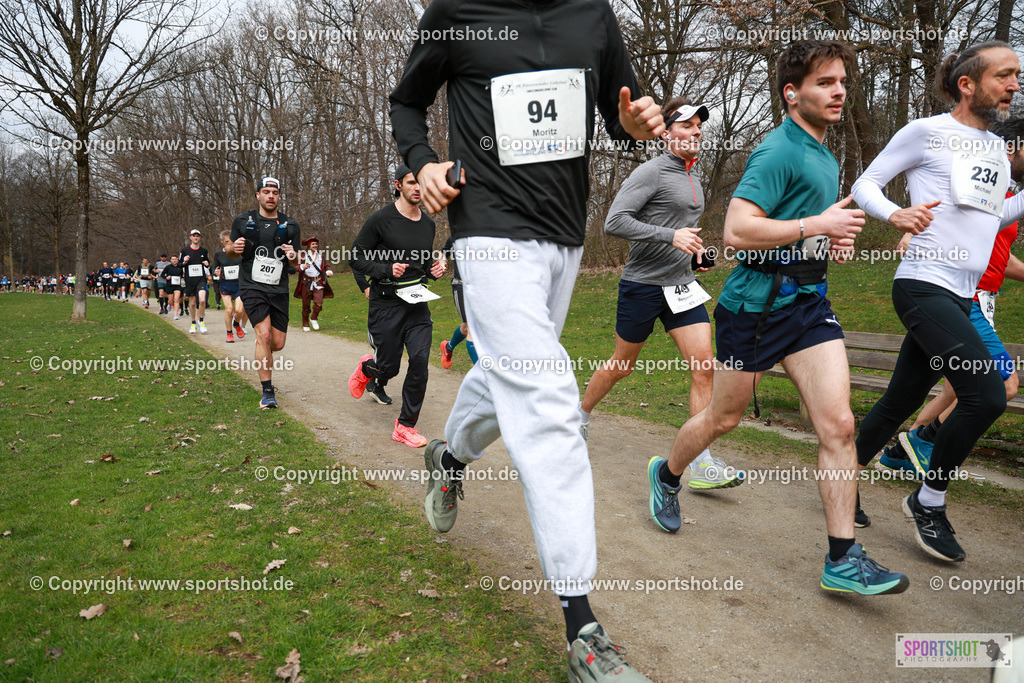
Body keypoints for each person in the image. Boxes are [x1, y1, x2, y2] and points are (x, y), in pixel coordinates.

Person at [390, 2, 667, 679]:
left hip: (563, 239)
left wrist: (635, 125)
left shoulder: (592, 15)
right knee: (548, 399)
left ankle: (449, 460)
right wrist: (423, 160)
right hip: (485, 229)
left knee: (507, 375)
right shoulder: (455, 10)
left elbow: (621, 108)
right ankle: (583, 626)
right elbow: (406, 102)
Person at [649, 41, 909, 595]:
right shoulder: (778, 151)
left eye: (842, 81)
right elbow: (738, 233)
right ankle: (667, 475)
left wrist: (829, 240)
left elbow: (808, 227)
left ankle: (842, 557)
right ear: (793, 94)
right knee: (724, 417)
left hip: (809, 305)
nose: (839, 91)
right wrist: (817, 226)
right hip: (754, 309)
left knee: (839, 426)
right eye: (824, 83)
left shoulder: (826, 153)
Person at [851, 42, 1022, 562]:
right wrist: (895, 216)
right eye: (1005, 76)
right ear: (966, 84)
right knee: (988, 395)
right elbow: (865, 185)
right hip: (924, 285)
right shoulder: (926, 131)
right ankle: (928, 500)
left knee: (900, 402)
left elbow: (990, 218)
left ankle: (840, 476)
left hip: (962, 294)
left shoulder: (994, 148)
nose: (1015, 85)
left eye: (1018, 77)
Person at [578, 95, 743, 492]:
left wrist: (697, 255)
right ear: (667, 132)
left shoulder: (695, 178)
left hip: (681, 286)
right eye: (686, 125)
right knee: (623, 364)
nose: (696, 131)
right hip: (642, 285)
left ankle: (699, 461)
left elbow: (683, 235)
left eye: (699, 126)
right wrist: (671, 236)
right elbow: (615, 222)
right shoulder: (651, 172)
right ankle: (579, 417)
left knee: (705, 366)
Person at [879, 116, 1024, 476]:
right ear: (1010, 148)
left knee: (956, 388)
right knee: (1002, 384)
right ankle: (923, 444)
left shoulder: (1006, 199)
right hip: (959, 297)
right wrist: (913, 234)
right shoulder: (976, 187)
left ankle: (903, 449)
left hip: (980, 298)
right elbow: (943, 219)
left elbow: (1000, 257)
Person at [349, 164, 445, 446]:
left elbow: (422, 264)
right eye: (412, 182)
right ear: (398, 185)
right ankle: (369, 369)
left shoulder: (428, 224)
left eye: (421, 183)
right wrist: (385, 269)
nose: (418, 188)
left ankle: (405, 425)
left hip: (417, 306)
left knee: (419, 361)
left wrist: (433, 271)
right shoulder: (380, 220)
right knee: (388, 368)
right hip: (386, 305)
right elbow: (355, 257)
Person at [227, 176, 300, 410]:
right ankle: (268, 393)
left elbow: (298, 259)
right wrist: (232, 248)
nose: (270, 196)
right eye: (265, 192)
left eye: (274, 192)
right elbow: (229, 249)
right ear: (257, 195)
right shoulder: (242, 220)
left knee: (277, 343)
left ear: (279, 196)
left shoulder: (290, 225)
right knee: (265, 335)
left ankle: (262, 352)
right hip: (252, 286)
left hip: (278, 289)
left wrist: (293, 255)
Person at [438, 235, 477, 368]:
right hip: (460, 286)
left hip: (480, 290)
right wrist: (442, 261)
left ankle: (448, 347)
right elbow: (444, 252)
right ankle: (483, 372)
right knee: (470, 328)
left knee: (468, 329)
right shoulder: (456, 237)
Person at [214, 230, 247, 343]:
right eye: (227, 241)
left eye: (231, 240)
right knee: (229, 310)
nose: (230, 243)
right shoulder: (219, 254)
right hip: (225, 285)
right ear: (222, 241)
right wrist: (215, 271)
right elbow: (214, 267)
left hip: (239, 285)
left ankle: (236, 324)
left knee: (239, 310)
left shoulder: (240, 252)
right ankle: (229, 333)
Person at [296, 236, 334, 332]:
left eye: (316, 244)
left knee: (319, 302)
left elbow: (326, 266)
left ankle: (313, 318)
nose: (315, 246)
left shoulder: (321, 256)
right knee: (306, 305)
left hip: (318, 282)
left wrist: (329, 271)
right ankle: (305, 322)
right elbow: (295, 267)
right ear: (309, 245)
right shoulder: (303, 256)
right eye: (313, 244)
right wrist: (302, 266)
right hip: (306, 283)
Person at [180, 230, 211, 334]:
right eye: (194, 236)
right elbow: (180, 265)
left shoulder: (204, 251)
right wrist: (184, 261)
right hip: (190, 280)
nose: (196, 238)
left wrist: (207, 264)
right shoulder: (185, 251)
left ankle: (201, 321)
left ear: (200, 238)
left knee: (202, 300)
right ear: (190, 238)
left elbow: (208, 264)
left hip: (201, 279)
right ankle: (193, 323)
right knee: (192, 303)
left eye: (198, 236)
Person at [161, 255, 184, 320]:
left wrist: (182, 276)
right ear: (170, 260)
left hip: (177, 285)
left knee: (176, 299)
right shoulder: (168, 267)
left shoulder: (180, 267)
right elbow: (162, 274)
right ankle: (169, 304)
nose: (174, 260)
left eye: (175, 259)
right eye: (173, 259)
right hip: (170, 285)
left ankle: (176, 314)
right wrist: (166, 277)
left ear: (178, 260)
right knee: (170, 300)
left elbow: (182, 275)